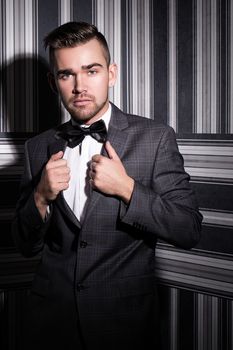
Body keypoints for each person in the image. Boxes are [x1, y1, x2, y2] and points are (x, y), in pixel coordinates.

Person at [12, 21, 202, 350]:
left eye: (92, 70)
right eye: (66, 74)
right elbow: (25, 245)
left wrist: (128, 189)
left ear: (111, 74)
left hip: (124, 325)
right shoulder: (36, 148)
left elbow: (188, 228)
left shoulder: (155, 138)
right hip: (49, 325)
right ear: (53, 82)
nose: (79, 86)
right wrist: (41, 197)